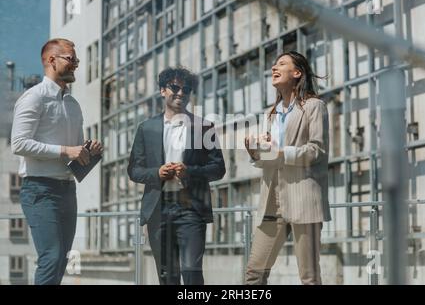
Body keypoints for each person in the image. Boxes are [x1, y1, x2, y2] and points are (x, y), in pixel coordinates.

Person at [10, 38, 103, 285]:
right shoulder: (34, 98)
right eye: (71, 59)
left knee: (62, 258)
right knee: (51, 257)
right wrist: (65, 150)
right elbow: (19, 143)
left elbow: (76, 151)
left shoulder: (73, 105)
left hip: (67, 190)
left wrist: (88, 150)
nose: (75, 65)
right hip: (39, 190)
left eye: (76, 60)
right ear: (52, 60)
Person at [127, 66, 226, 285]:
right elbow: (134, 169)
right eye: (175, 87)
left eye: (187, 89)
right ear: (162, 90)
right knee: (167, 276)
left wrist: (189, 172)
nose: (181, 93)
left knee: (191, 272)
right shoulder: (146, 128)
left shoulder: (204, 127)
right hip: (158, 210)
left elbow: (218, 168)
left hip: (190, 208)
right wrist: (157, 173)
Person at [244, 51, 331, 285]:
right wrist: (254, 151)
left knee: (309, 277)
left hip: (304, 198)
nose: (274, 67)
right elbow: (267, 159)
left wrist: (281, 152)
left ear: (297, 73)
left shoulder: (314, 107)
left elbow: (317, 151)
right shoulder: (270, 115)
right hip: (272, 199)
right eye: (273, 64)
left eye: (281, 64)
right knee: (254, 273)